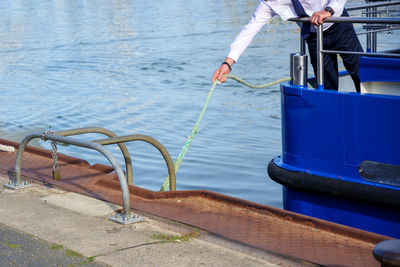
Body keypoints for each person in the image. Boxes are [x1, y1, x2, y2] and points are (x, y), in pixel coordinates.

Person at [212, 0, 363, 92]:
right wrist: (227, 64)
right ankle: (334, 127)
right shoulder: (268, 3)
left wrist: (328, 10)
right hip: (313, 38)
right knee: (327, 86)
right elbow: (249, 30)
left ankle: (370, 116)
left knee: (360, 74)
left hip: (339, 25)